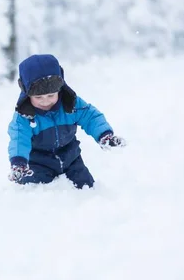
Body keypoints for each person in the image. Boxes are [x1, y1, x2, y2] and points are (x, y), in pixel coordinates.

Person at [7, 54, 125, 188]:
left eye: (51, 95)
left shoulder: (71, 104)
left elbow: (91, 117)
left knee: (86, 187)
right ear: (26, 93)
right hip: (39, 163)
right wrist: (19, 163)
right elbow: (18, 139)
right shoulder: (24, 116)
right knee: (35, 189)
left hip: (71, 159)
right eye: (38, 97)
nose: (45, 101)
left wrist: (104, 135)